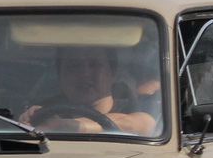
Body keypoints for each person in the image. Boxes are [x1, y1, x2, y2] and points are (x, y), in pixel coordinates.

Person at [19, 46, 159, 135]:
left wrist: (64, 126)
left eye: (95, 65)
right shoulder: (45, 113)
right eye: (74, 66)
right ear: (60, 76)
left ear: (112, 73)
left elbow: (139, 125)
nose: (84, 73)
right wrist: (30, 121)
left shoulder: (137, 106)